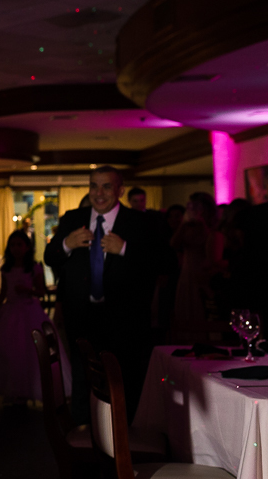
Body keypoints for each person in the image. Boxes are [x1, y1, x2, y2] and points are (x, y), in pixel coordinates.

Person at [44, 166, 158, 422]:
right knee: (83, 381)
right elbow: (50, 257)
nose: (99, 193)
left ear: (120, 190)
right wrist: (67, 244)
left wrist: (125, 249)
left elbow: (162, 264)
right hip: (81, 318)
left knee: (123, 383)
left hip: (124, 320)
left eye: (106, 186)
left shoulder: (139, 221)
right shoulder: (73, 218)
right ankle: (83, 437)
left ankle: (123, 437)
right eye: (94, 186)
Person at [0, 231, 71, 403]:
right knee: (10, 351)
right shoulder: (6, 269)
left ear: (27, 247)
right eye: (12, 245)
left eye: (19, 245)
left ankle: (31, 388)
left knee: (30, 351)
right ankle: (13, 389)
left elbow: (41, 292)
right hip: (10, 311)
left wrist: (28, 290)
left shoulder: (33, 268)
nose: (16, 248)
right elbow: (3, 292)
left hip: (29, 310)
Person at [170, 192, 223, 329]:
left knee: (202, 310)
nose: (193, 209)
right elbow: (173, 245)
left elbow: (210, 248)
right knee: (185, 311)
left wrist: (201, 223)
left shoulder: (212, 227)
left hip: (202, 272)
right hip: (187, 272)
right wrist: (183, 224)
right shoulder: (188, 226)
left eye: (196, 206)